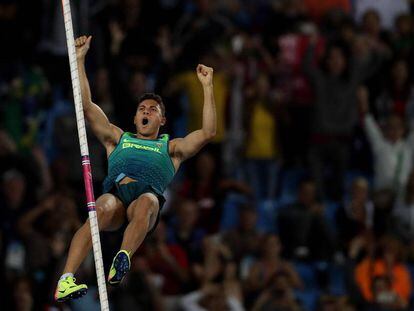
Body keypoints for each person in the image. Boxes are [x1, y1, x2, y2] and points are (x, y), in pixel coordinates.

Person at [54, 35, 216, 302]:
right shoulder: (118, 138)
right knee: (101, 207)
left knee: (148, 201)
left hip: (143, 205)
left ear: (162, 120)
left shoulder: (171, 148)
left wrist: (207, 87)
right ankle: (66, 279)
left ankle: (123, 257)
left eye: (153, 110)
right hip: (118, 198)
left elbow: (208, 132)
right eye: (142, 108)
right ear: (134, 117)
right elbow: (86, 105)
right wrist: (80, 60)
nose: (147, 111)